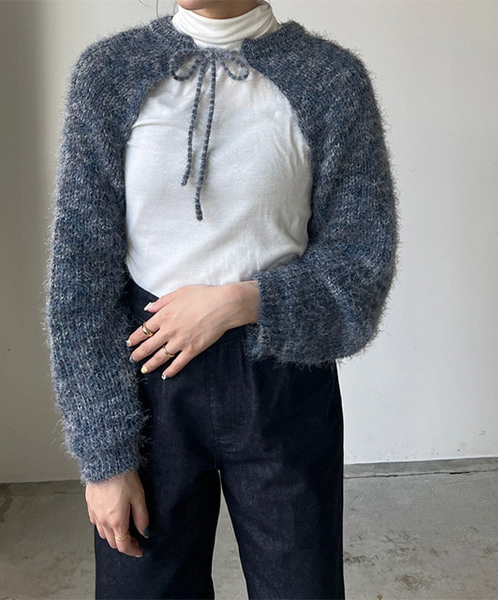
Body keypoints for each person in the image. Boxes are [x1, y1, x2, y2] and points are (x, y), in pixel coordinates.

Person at [44, 0, 397, 598]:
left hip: (281, 380)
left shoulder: (331, 80)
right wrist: (104, 455)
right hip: (146, 381)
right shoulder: (109, 73)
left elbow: (359, 268)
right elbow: (81, 277)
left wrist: (240, 302)